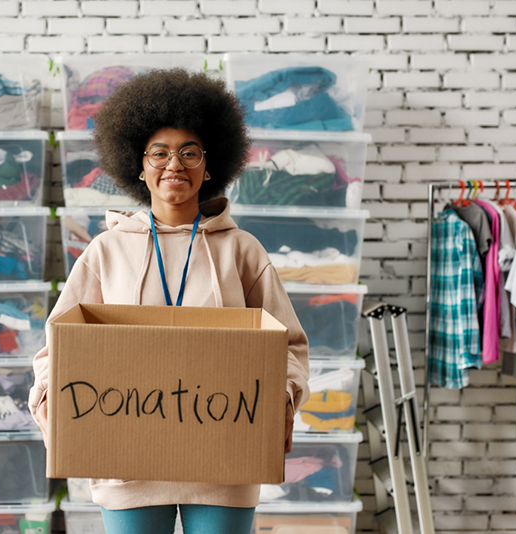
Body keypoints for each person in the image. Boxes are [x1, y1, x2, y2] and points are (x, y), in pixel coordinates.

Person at [30, 68, 309, 534]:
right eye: (159, 153)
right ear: (138, 167)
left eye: (189, 152)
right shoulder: (105, 251)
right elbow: (56, 349)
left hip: (226, 466)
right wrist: (51, 406)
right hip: (126, 467)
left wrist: (280, 399)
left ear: (210, 165)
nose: (174, 164)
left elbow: (289, 347)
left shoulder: (243, 251)